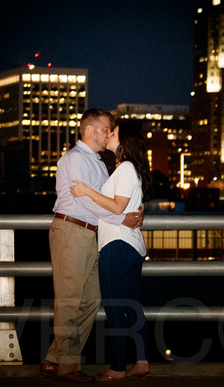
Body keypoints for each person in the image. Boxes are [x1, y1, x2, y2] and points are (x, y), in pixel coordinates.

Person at [41, 109, 143, 383]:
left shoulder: (99, 162)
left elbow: (105, 198)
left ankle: (54, 359)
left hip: (92, 235)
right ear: (90, 130)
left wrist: (133, 210)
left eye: (112, 130)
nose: (110, 133)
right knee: (69, 300)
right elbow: (88, 201)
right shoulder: (74, 159)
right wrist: (124, 218)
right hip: (72, 230)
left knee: (90, 300)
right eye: (107, 128)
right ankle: (68, 367)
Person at [70, 121, 152, 382]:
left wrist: (86, 191)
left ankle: (117, 367)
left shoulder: (126, 168)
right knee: (132, 307)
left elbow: (117, 208)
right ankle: (141, 361)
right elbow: (125, 207)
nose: (109, 135)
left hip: (116, 245)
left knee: (116, 307)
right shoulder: (128, 169)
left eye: (114, 133)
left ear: (124, 140)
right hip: (129, 245)